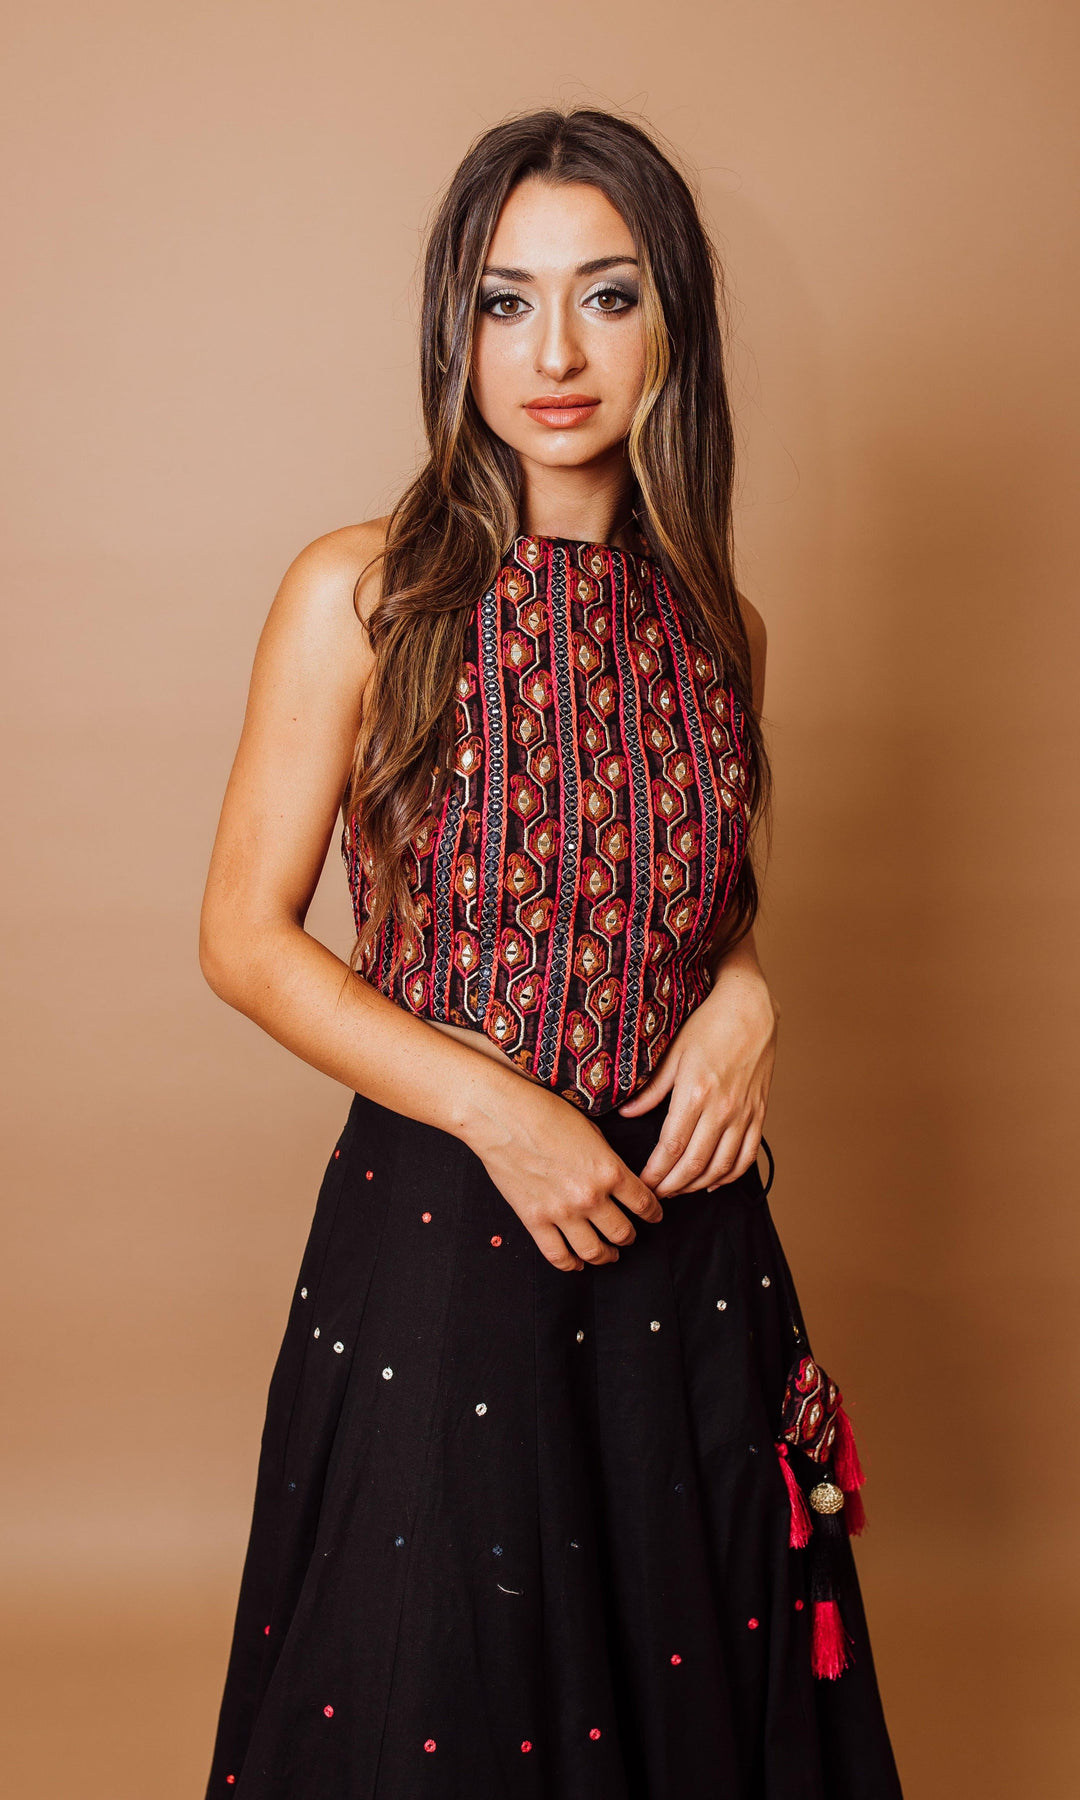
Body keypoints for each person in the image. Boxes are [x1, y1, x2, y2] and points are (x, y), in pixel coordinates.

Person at [198, 106, 903, 1799]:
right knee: (443, 1700)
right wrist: (500, 1112)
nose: (557, 354)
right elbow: (242, 937)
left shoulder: (719, 622)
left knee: (688, 1710)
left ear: (672, 324)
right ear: (456, 327)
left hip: (687, 1251)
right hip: (451, 1232)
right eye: (507, 302)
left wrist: (747, 990)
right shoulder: (361, 590)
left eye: (608, 295)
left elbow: (686, 891)